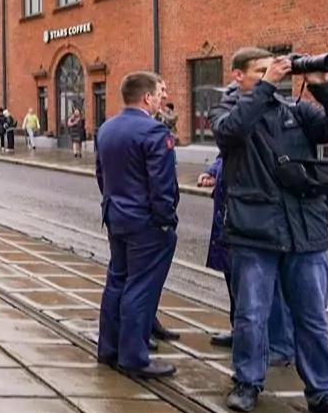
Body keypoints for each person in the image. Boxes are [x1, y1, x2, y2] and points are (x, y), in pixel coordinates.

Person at [211, 47, 328, 413]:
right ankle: (247, 382)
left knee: (312, 320)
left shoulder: (296, 111)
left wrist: (324, 86)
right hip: (255, 232)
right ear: (239, 77)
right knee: (251, 316)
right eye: (261, 71)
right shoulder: (227, 111)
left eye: (273, 70)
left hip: (305, 231)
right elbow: (232, 133)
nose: (272, 76)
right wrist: (265, 88)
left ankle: (323, 394)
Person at [94, 71, 179, 379]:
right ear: (146, 97)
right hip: (146, 222)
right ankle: (134, 357)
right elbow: (163, 185)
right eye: (159, 93)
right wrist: (166, 221)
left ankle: (109, 348)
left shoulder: (107, 128)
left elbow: (102, 175)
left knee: (117, 281)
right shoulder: (154, 132)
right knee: (140, 288)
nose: (162, 98)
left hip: (116, 216)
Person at [199, 148, 295, 363]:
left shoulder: (270, 130)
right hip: (230, 220)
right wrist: (213, 171)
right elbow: (226, 155)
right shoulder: (238, 129)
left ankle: (279, 345)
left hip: (256, 221)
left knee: (268, 286)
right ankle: (241, 334)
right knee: (235, 280)